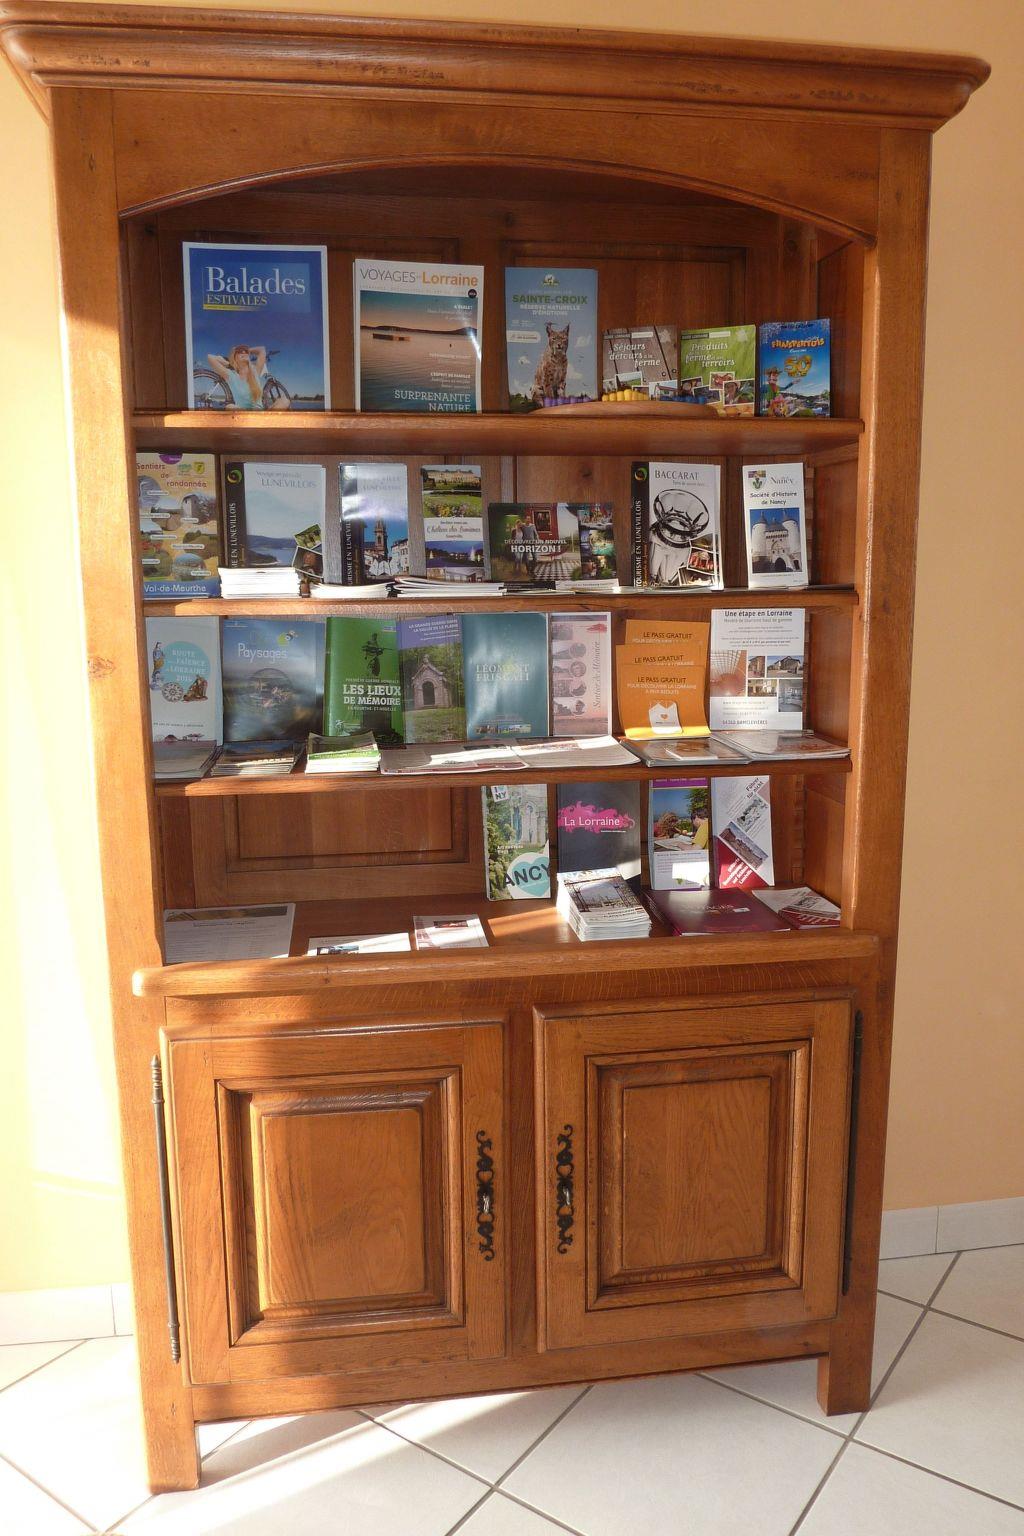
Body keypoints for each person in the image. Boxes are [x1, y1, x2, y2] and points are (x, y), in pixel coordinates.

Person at [206, 345, 290, 410]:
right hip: (243, 413)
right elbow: (210, 357)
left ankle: (264, 421)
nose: (243, 352)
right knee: (230, 406)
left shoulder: (255, 371)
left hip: (259, 414)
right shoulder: (231, 375)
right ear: (235, 358)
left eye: (245, 352)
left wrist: (247, 350)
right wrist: (229, 363)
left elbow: (261, 350)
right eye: (240, 352)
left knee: (284, 401)